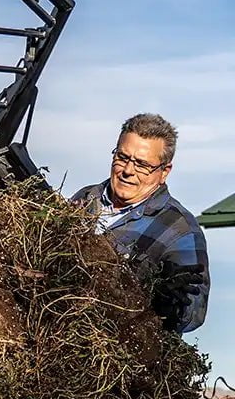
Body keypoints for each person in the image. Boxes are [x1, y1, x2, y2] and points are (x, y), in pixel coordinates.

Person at [71, 113, 209, 333]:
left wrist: (170, 305)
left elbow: (195, 311)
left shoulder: (180, 229)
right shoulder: (86, 197)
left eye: (142, 165)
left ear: (164, 172)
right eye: (122, 157)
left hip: (114, 351)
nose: (128, 171)